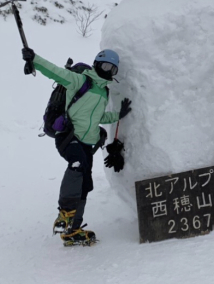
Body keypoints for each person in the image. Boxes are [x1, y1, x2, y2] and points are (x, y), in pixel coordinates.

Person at [22, 46, 132, 244]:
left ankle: (73, 229)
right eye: (106, 66)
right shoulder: (81, 80)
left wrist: (118, 115)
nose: (108, 71)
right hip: (68, 136)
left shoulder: (104, 92)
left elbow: (98, 117)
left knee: (85, 185)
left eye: (113, 69)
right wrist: (34, 59)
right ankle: (64, 214)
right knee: (77, 165)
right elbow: (55, 71)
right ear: (97, 63)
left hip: (87, 144)